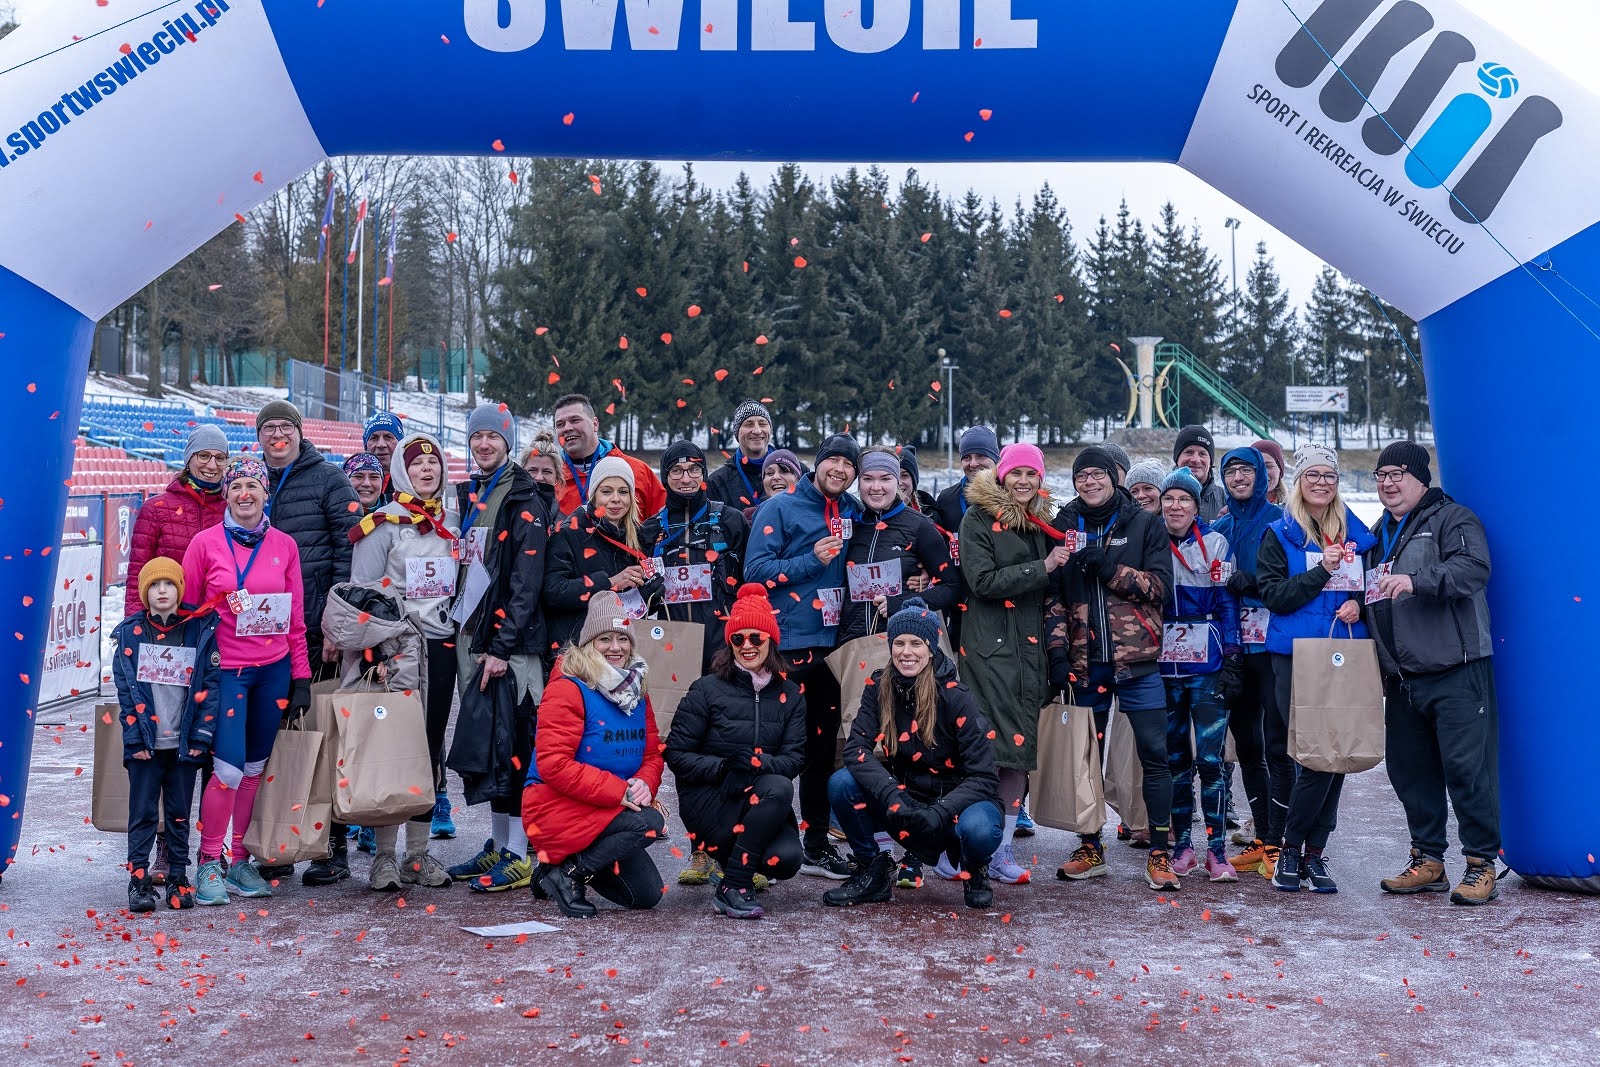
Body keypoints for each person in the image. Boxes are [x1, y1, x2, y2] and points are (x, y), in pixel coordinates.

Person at [1364, 442, 1500, 905]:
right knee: (1410, 772)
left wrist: (1416, 581)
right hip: (1402, 678)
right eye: (1380, 474)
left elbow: (1472, 569)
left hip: (1455, 670)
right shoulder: (1377, 532)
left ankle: (1482, 863)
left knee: (1466, 770)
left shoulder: (1452, 518)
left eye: (1397, 473)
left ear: (1421, 477)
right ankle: (1428, 861)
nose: (1387, 482)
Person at [180, 458, 312, 906]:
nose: (244, 494)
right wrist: (220, 600)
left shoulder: (284, 545)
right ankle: (208, 863)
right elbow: (189, 613)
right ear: (228, 494)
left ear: (264, 492)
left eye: (253, 485)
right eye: (236, 486)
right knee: (228, 769)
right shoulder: (204, 544)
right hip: (227, 672)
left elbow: (295, 618)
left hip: (272, 670)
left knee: (254, 769)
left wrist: (301, 676)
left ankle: (238, 860)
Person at [1047, 446, 1175, 889]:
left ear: (1112, 478)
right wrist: (1058, 652)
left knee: (1155, 755)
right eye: (1082, 476)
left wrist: (1112, 570)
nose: (1090, 482)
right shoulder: (1063, 525)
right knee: (1086, 759)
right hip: (1087, 665)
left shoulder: (1143, 522)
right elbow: (1054, 599)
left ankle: (1160, 851)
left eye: (1098, 474)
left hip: (1137, 661)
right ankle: (1090, 845)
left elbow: (1161, 587)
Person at [823, 598, 1003, 910]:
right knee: (842, 783)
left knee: (980, 829)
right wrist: (895, 797)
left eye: (916, 643)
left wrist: (941, 811)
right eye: (899, 643)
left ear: (932, 649)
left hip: (958, 804)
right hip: (907, 801)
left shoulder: (957, 698)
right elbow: (856, 751)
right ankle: (872, 871)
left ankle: (975, 870)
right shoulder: (878, 687)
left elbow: (985, 776)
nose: (907, 652)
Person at [1255, 444, 1378, 894]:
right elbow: (1275, 596)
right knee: (1314, 753)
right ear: (1299, 482)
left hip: (1346, 651)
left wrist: (1357, 602)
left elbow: (1373, 587)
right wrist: (1321, 572)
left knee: (1339, 752)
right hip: (1296, 656)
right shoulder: (1280, 534)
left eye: (1329, 475)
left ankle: (1313, 853)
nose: (1322, 482)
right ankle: (1291, 848)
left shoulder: (1357, 534)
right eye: (1313, 475)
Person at [743, 432, 862, 880]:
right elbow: (753, 573)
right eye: (833, 461)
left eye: (847, 465)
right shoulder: (781, 506)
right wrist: (810, 560)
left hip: (834, 650)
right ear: (819, 463)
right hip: (787, 650)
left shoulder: (851, 510)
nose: (839, 470)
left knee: (819, 752)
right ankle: (761, 844)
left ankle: (815, 845)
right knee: (775, 750)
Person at [447, 404, 552, 893]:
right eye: (477, 437)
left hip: (506, 646)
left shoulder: (524, 497)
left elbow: (525, 583)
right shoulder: (475, 495)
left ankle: (518, 853)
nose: (484, 444)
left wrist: (502, 646)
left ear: (508, 441)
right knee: (491, 746)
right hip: (473, 636)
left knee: (512, 745)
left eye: (493, 436)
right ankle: (498, 842)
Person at [253, 399, 359, 884]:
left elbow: (346, 552)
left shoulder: (329, 479)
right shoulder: (251, 479)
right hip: (261, 636)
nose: (278, 434)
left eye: (285, 426)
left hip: (317, 631)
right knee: (270, 739)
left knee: (323, 736)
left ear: (299, 432)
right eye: (269, 427)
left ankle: (329, 847)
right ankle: (278, 841)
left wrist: (335, 624)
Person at [349, 431, 461, 881]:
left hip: (443, 645)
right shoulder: (381, 525)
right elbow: (361, 592)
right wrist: (377, 647)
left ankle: (418, 853)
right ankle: (383, 855)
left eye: (433, 463)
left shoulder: (455, 521)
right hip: (396, 649)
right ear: (402, 470)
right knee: (391, 747)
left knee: (428, 747)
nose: (426, 470)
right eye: (416, 463)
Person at [957, 443, 1069, 886]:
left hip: (1030, 653)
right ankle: (964, 846)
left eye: (1032, 474)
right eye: (1016, 473)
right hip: (989, 653)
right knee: (985, 751)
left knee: (1018, 756)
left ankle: (999, 849)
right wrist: (1041, 567)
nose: (1024, 481)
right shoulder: (978, 518)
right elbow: (980, 581)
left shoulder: (1044, 521)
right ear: (1002, 475)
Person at [664, 584, 806, 919]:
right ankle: (735, 884)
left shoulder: (791, 694)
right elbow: (676, 753)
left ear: (771, 640)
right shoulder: (706, 689)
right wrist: (724, 767)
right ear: (730, 642)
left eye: (756, 637)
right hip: (710, 800)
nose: (747, 646)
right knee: (779, 788)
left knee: (786, 860)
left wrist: (756, 763)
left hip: (758, 799)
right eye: (738, 638)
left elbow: (795, 758)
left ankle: (733, 868)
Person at [527, 592, 666, 918]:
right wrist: (619, 791)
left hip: (609, 809)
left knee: (646, 895)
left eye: (623, 639)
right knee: (650, 821)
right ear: (589, 643)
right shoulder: (568, 687)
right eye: (605, 639)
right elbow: (552, 764)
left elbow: (653, 754)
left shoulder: (636, 689)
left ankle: (555, 868)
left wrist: (646, 782)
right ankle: (569, 875)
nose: (615, 648)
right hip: (558, 805)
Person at [113, 558, 219, 912]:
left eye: (169, 585)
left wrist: (201, 737)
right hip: (146, 743)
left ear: (179, 590)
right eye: (155, 585)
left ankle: (177, 877)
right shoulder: (130, 633)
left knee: (178, 814)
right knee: (142, 813)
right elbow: (125, 693)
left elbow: (210, 686)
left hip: (182, 744)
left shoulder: (197, 629)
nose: (162, 591)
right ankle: (139, 879)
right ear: (145, 593)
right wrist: (133, 739)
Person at [1155, 468, 1242, 882]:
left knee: (1211, 760)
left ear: (1196, 505)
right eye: (1168, 499)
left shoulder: (1217, 543)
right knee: (1175, 760)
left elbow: (1227, 602)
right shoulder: (1150, 540)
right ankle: (1183, 845)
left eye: (1183, 500)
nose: (1175, 506)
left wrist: (1233, 656)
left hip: (1207, 665)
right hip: (1163, 665)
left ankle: (1218, 849)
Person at [1212, 447, 1285, 878]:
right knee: (1249, 745)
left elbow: (1294, 580)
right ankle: (1262, 836)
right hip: (1234, 650)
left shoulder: (1281, 520)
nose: (1239, 478)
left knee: (1278, 744)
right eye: (1231, 471)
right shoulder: (1219, 527)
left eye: (1246, 471)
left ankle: (1281, 839)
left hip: (1272, 647)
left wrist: (1252, 583)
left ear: (1262, 476)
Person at [639, 441, 746, 673]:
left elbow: (751, 582)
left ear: (704, 474)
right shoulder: (649, 530)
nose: (686, 479)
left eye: (693, 470)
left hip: (724, 647)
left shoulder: (731, 520)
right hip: (669, 647)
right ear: (665, 477)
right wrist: (647, 593)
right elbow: (635, 599)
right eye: (676, 471)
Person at [544, 455, 663, 655]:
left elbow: (623, 605)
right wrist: (608, 583)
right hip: (580, 652)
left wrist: (647, 598)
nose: (616, 499)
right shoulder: (568, 533)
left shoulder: (635, 536)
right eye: (606, 492)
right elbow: (553, 593)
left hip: (619, 651)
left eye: (623, 492)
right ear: (594, 496)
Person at [840, 448, 955, 643]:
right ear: (859, 482)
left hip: (902, 645)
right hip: (851, 645)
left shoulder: (919, 526)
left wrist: (903, 604)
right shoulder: (849, 524)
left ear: (897, 482)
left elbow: (952, 585)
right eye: (868, 478)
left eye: (885, 479)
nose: (876, 487)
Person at [124, 424, 230, 617]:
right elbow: (137, 575)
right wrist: (133, 625)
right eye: (204, 455)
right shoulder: (156, 508)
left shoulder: (233, 510)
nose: (212, 465)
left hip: (220, 624)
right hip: (170, 621)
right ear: (189, 459)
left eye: (220, 458)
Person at [929, 425, 1000, 678]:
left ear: (996, 459)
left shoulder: (1009, 495)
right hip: (959, 603)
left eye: (981, 456)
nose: (973, 463)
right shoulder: (947, 499)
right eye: (966, 457)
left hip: (998, 602)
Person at [551, 393, 666, 518]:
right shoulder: (549, 477)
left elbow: (664, 523)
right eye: (560, 424)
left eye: (575, 420)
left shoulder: (638, 471)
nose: (567, 428)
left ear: (595, 424)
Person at [707, 399, 776, 511]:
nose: (757, 430)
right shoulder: (717, 482)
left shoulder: (796, 471)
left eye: (763, 424)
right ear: (737, 433)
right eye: (749, 425)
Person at [1173, 425, 1227, 522]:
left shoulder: (1225, 500)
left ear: (1211, 462)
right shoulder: (1160, 497)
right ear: (1177, 458)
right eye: (1189, 452)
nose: (1195, 460)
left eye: (1202, 454)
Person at [749, 448, 802, 521]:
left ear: (798, 479)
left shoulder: (813, 513)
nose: (776, 477)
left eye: (784, 471)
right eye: (770, 473)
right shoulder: (749, 517)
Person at [363, 410, 404, 502]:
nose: (381, 444)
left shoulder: (412, 484)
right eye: (374, 438)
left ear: (400, 444)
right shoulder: (351, 483)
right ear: (366, 446)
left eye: (388, 437)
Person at [519, 430, 567, 505]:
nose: (539, 478)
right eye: (532, 470)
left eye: (547, 472)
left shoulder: (562, 516)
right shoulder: (506, 508)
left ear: (557, 478)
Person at [896, 446, 937, 513]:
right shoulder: (874, 517)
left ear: (914, 481)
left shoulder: (931, 515)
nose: (899, 483)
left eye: (904, 475)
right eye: (894, 476)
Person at [1253, 438, 1287, 507]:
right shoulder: (1234, 511)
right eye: (1256, 466)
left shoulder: (1296, 510)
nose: (1262, 473)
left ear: (1279, 469)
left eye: (1268, 466)